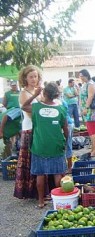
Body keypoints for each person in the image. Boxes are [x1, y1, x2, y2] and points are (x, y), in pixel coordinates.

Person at [31, 82, 68, 208]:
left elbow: (24, 106)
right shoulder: (61, 108)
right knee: (58, 173)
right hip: (56, 144)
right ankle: (58, 200)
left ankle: (41, 201)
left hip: (39, 146)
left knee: (40, 174)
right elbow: (65, 128)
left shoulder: (35, 107)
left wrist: (34, 95)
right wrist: (66, 141)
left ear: (44, 93)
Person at [14, 65, 43, 199]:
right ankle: (30, 191)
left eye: (35, 76)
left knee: (39, 158)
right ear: (25, 78)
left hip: (38, 128)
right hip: (29, 129)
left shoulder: (39, 91)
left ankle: (40, 189)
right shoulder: (24, 93)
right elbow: (31, 112)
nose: (33, 79)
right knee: (30, 160)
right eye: (30, 76)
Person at [79, 69, 95, 158]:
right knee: (91, 131)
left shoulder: (91, 84)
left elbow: (91, 96)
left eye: (81, 76)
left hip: (91, 111)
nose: (80, 78)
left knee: (93, 130)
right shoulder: (86, 84)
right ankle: (93, 148)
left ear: (86, 75)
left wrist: (86, 108)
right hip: (87, 111)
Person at [1, 80, 21, 158]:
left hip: (15, 118)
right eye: (12, 85)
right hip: (11, 112)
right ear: (10, 86)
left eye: (15, 85)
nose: (14, 86)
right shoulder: (7, 94)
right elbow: (4, 104)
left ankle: (9, 156)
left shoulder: (21, 93)